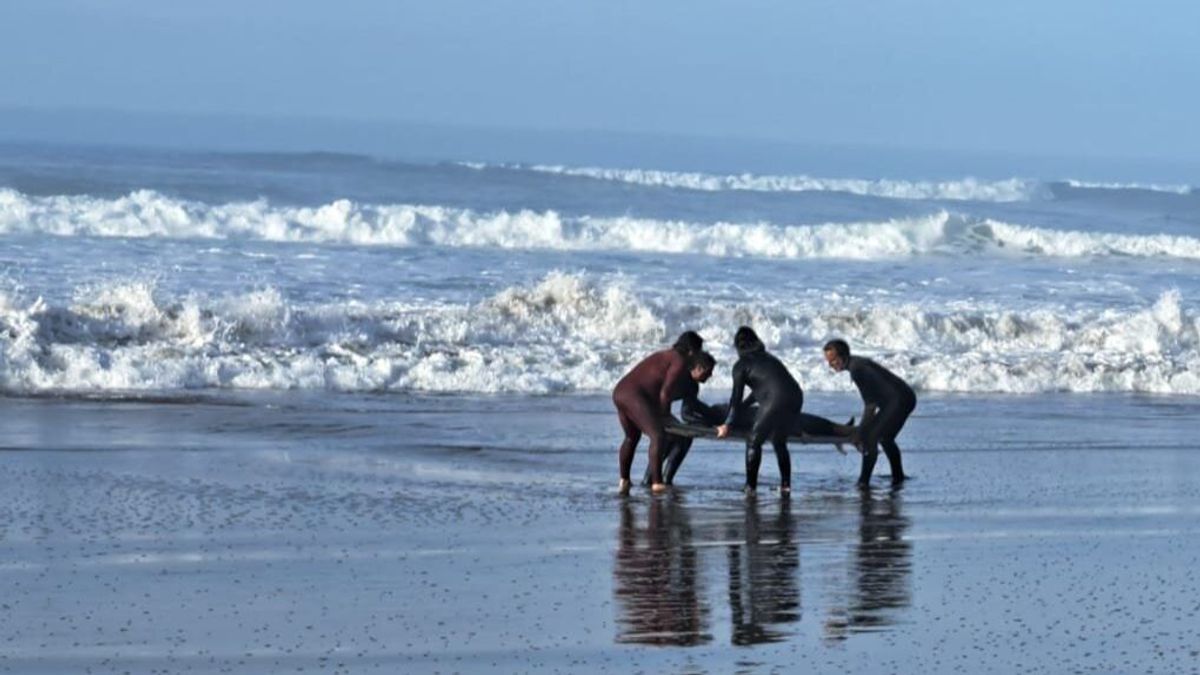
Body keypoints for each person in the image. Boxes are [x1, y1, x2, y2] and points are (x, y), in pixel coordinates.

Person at [613, 331, 711, 494]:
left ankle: (625, 480)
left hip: (620, 391)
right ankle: (657, 483)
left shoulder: (666, 355)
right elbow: (665, 393)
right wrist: (665, 417)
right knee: (658, 435)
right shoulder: (679, 360)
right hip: (633, 395)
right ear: (691, 351)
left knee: (631, 437)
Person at [717, 326, 804, 495]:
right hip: (796, 396)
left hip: (776, 399)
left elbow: (735, 398)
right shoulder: (769, 359)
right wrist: (744, 407)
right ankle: (786, 486)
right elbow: (762, 389)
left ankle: (750, 487)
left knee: (753, 441)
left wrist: (727, 423)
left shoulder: (741, 365)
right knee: (779, 441)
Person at [823, 339, 915, 487]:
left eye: (833, 360)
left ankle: (863, 481)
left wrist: (861, 433)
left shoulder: (857, 370)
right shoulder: (857, 364)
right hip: (902, 398)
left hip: (899, 400)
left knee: (870, 438)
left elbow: (870, 406)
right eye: (828, 361)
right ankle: (898, 476)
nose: (830, 365)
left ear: (843, 356)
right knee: (885, 438)